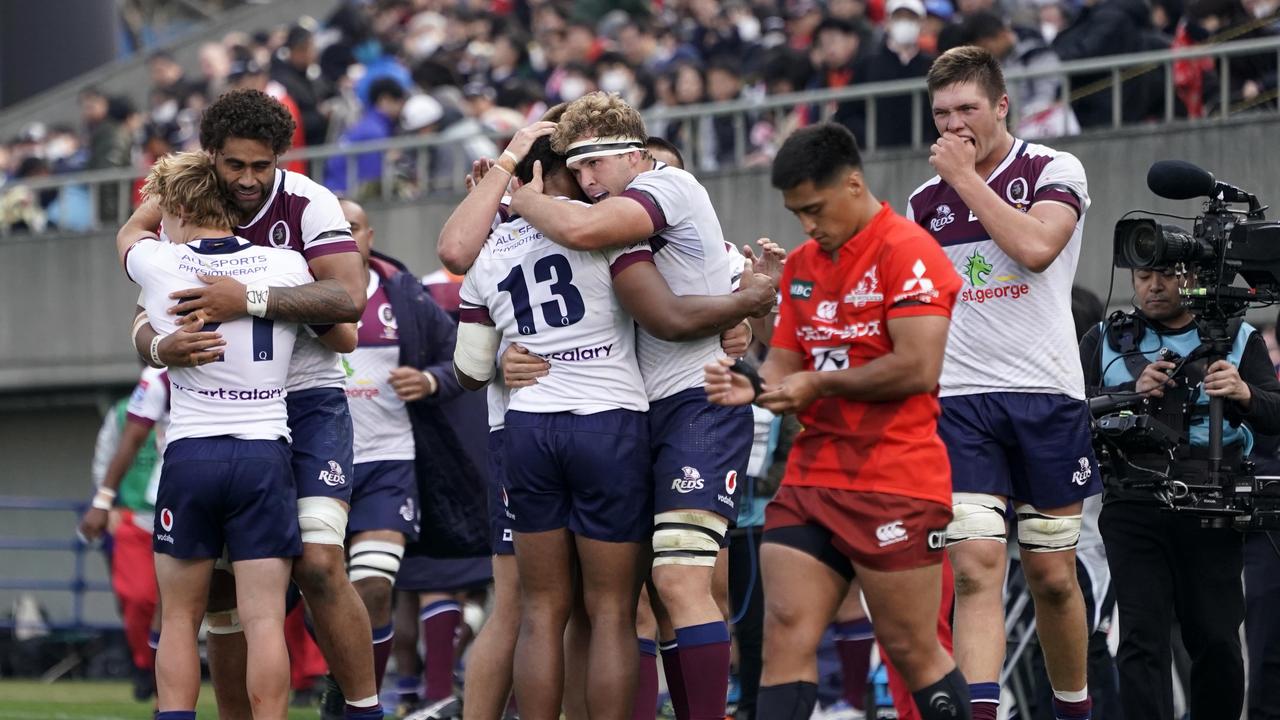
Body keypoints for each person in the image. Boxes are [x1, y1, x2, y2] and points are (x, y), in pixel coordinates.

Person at [448, 115, 775, 720]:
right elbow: (670, 313)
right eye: (578, 169)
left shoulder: (498, 246)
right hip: (611, 421)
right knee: (613, 610)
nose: (589, 180)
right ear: (556, 175)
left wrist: (500, 357)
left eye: (594, 165)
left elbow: (464, 361)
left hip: (525, 427)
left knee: (540, 608)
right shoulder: (607, 238)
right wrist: (744, 302)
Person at [119, 87, 380, 720]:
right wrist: (159, 345)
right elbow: (141, 324)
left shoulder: (309, 204)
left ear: (281, 160)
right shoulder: (188, 199)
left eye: (262, 166)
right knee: (221, 590)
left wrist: (249, 301)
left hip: (306, 400)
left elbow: (348, 308)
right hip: (249, 418)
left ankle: (363, 708)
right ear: (210, 157)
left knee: (318, 565)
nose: (248, 179)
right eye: (234, 165)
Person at [704, 122, 970, 720]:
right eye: (797, 213)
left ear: (854, 184)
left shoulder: (908, 250)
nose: (808, 226)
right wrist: (748, 385)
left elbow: (919, 367)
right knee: (786, 635)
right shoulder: (800, 265)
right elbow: (782, 368)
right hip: (812, 478)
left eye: (816, 209)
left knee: (912, 648)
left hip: (896, 477)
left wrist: (817, 384)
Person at [907, 46, 1099, 720]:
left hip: (1046, 394)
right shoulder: (923, 202)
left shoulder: (1054, 167)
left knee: (1051, 576)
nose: (955, 126)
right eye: (942, 114)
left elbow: (1037, 249)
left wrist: (967, 182)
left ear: (999, 106)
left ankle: (1073, 707)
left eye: (967, 109)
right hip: (960, 402)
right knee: (976, 566)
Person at [116, 150, 322, 720]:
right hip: (263, 452)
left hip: (192, 452)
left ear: (177, 204)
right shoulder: (286, 264)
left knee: (181, 618)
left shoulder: (162, 262)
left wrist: (170, 186)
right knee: (262, 620)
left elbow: (130, 230)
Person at [1078, 266, 1280, 720]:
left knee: (1216, 638)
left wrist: (1244, 393)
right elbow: (1068, 409)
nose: (1153, 286)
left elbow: (1275, 414)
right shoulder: (1103, 339)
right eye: (1144, 275)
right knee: (1141, 639)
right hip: (1132, 502)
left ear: (1192, 279)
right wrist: (1131, 392)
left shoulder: (1238, 337)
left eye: (1167, 275)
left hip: (1214, 506)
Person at [338, 198, 471, 702]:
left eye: (352, 227)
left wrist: (431, 380)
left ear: (370, 235)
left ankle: (364, 702)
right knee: (320, 597)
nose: (344, 237)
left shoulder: (403, 294)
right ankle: (341, 676)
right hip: (312, 466)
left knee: (374, 586)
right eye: (334, 229)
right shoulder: (298, 291)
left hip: (389, 461)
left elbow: (461, 355)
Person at [79, 367, 167, 701]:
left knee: (177, 604)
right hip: (134, 515)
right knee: (138, 598)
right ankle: (145, 666)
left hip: (182, 513)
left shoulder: (194, 398)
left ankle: (165, 681)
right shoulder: (122, 411)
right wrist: (106, 501)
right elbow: (106, 458)